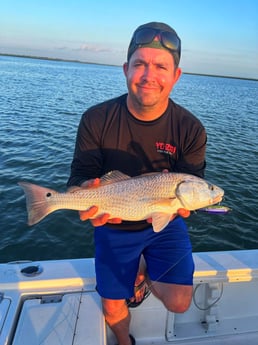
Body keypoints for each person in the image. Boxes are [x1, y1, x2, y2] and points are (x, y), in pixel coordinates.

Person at [67, 22, 206, 345]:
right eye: (140, 64)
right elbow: (79, 176)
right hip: (114, 218)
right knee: (114, 308)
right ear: (125, 69)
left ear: (176, 76)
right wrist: (84, 197)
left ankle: (144, 266)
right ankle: (124, 341)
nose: (148, 75)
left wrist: (182, 208)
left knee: (180, 302)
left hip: (165, 219)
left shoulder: (191, 129)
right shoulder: (95, 118)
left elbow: (193, 184)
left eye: (161, 67)